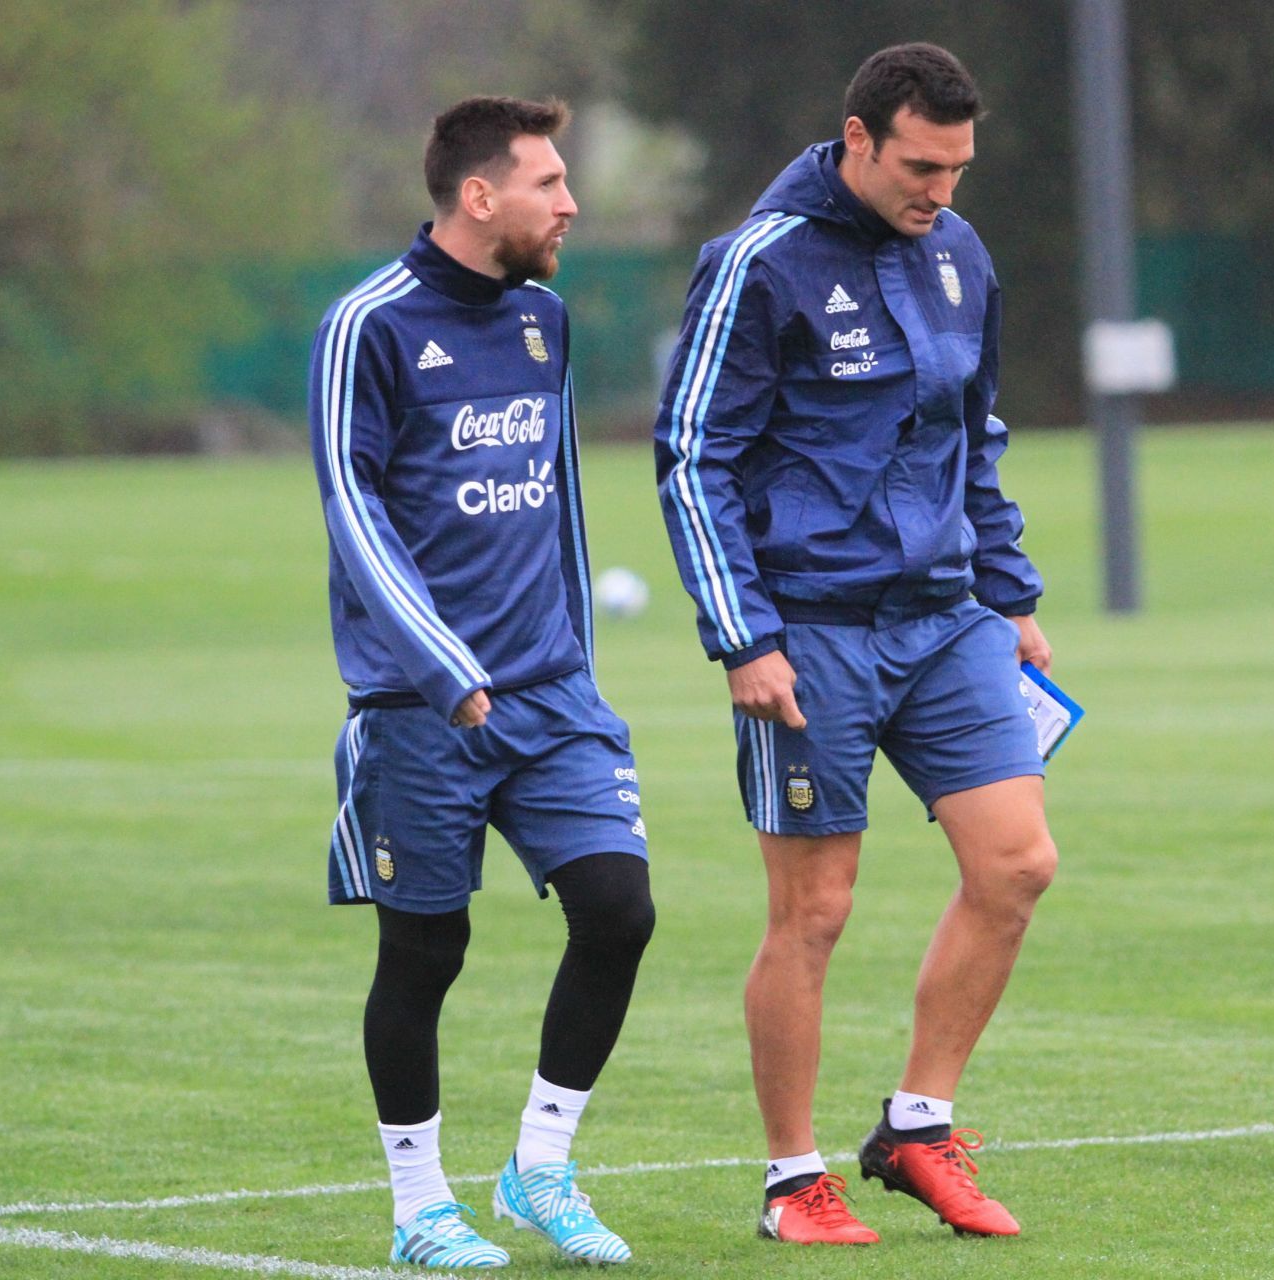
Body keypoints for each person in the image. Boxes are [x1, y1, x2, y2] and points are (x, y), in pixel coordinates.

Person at [653, 43, 1057, 1245]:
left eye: (959, 169)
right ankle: (793, 1181)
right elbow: (692, 456)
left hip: (948, 621)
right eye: (921, 165)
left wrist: (1010, 587)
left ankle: (919, 1125)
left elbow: (971, 434)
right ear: (858, 138)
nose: (941, 190)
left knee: (1017, 864)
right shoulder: (759, 263)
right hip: (808, 633)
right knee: (815, 910)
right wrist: (742, 637)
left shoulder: (960, 256)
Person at [310, 96, 652, 1270]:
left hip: (552, 697)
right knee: (426, 951)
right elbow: (352, 512)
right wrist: (443, 667)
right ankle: (419, 1208)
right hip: (421, 706)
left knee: (619, 908)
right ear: (477, 196)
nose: (569, 204)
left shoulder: (547, 322)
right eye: (549, 183)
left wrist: (576, 672)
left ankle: (538, 1168)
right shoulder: (369, 326)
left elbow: (556, 504)